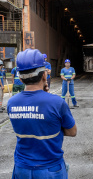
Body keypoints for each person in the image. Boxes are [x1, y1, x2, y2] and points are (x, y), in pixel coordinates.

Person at [7, 49, 77, 179]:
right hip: (50, 169)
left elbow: (29, 124)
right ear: (44, 75)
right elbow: (72, 132)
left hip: (22, 169)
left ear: (21, 79)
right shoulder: (57, 103)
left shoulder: (12, 103)